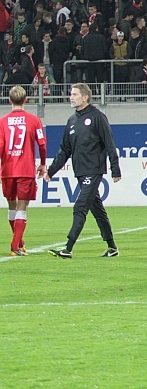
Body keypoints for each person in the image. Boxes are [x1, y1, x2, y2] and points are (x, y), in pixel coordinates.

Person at [45, 84, 122, 259]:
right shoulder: (72, 120)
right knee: (97, 210)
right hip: (80, 171)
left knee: (80, 206)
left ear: (85, 97)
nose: (71, 97)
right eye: (71, 94)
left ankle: (68, 248)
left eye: (74, 94)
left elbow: (110, 144)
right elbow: (65, 150)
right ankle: (112, 247)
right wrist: (51, 171)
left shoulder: (97, 117)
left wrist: (115, 169)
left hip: (93, 170)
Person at [1, 86, 46, 256]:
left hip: (7, 169)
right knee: (22, 207)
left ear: (9, 101)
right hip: (25, 169)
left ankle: (19, 243)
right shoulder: (34, 120)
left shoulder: (2, 122)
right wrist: (42, 164)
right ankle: (15, 246)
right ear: (25, 100)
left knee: (12, 206)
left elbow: (0, 146)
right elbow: (42, 144)